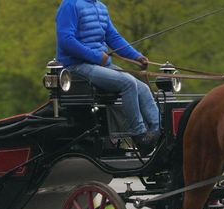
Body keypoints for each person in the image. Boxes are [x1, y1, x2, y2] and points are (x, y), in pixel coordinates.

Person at [56, 0, 160, 156]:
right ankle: (139, 135)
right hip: (77, 66)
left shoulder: (101, 7)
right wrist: (97, 56)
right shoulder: (70, 5)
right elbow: (66, 40)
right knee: (128, 83)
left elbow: (113, 37)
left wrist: (136, 56)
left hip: (100, 64)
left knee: (143, 89)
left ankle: (157, 132)